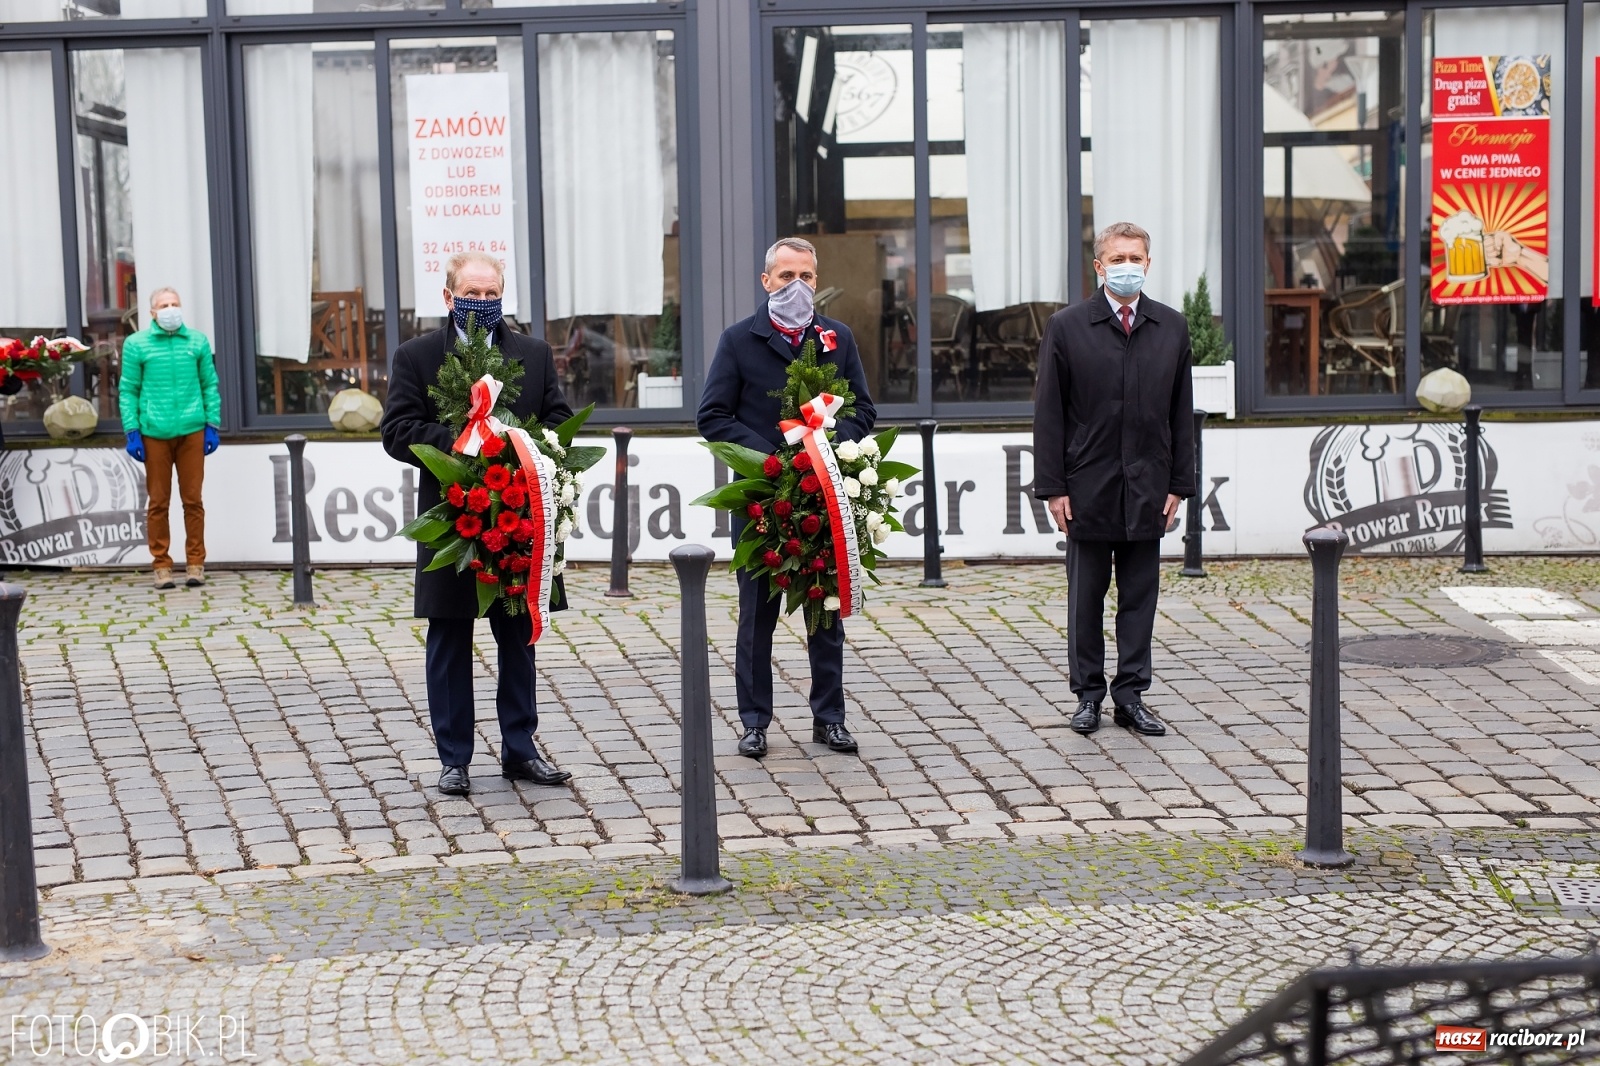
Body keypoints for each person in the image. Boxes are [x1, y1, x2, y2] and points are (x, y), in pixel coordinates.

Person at [381, 250, 574, 797]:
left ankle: (520, 749)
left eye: (492, 295)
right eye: (472, 293)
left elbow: (558, 419)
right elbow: (398, 430)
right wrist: (464, 446)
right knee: (449, 638)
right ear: (448, 297)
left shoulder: (533, 354)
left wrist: (518, 448)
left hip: (517, 516)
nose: (483, 303)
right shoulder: (417, 356)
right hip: (451, 519)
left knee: (518, 634)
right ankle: (455, 759)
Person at [697, 237, 877, 759]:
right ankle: (754, 721)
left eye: (806, 277)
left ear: (817, 282)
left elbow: (862, 410)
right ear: (766, 281)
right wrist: (779, 453)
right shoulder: (738, 340)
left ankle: (830, 717)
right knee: (758, 614)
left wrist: (827, 440)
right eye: (785, 276)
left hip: (824, 493)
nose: (796, 286)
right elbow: (713, 417)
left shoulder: (836, 338)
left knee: (825, 608)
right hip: (763, 496)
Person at [1032, 222, 1195, 739]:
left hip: (1149, 485)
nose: (1129, 265)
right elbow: (1049, 412)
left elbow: (1181, 411)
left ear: (1149, 264)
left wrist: (1179, 484)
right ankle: (1087, 696)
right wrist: (1053, 487)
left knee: (1139, 597)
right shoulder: (1068, 326)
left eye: (1138, 257)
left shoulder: (1171, 327)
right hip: (1087, 485)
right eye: (1118, 257)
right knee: (1086, 597)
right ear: (1099, 266)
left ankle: (1131, 695)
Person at [119, 287, 222, 591]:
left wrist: (211, 424)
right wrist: (132, 430)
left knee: (193, 500)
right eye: (164, 305)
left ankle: (195, 564)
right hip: (154, 433)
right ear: (152, 312)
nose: (170, 309)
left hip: (192, 430)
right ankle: (161, 565)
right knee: (158, 502)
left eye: (175, 303)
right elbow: (128, 390)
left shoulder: (197, 341)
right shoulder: (137, 345)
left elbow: (209, 385)